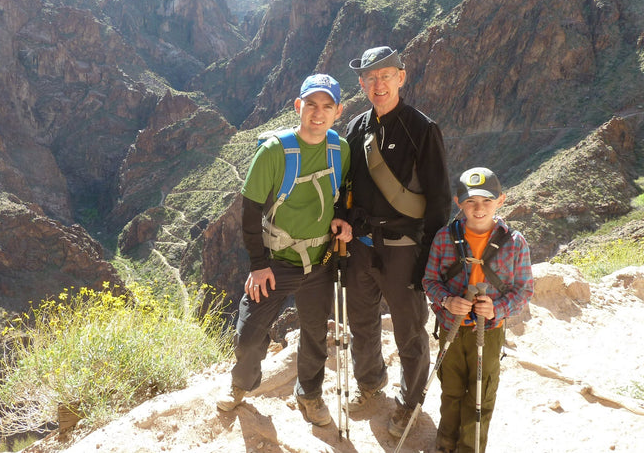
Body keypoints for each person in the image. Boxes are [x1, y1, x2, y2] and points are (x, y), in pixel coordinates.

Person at [216, 73, 352, 427]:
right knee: (248, 335)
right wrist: (258, 266)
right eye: (311, 105)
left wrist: (342, 220)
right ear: (298, 106)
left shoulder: (341, 149)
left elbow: (342, 197)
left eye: (326, 106)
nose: (317, 113)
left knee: (315, 333)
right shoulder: (274, 152)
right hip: (276, 263)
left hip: (321, 260)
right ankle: (241, 385)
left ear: (338, 111)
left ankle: (309, 393)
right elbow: (248, 212)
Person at [342, 46, 451, 437]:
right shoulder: (356, 129)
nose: (378, 84)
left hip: (405, 248)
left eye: (385, 75)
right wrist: (342, 222)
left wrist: (430, 261)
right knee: (362, 322)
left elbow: (439, 199)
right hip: (361, 246)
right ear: (361, 84)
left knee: (409, 329)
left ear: (401, 78)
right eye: (370, 78)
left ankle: (410, 401)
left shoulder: (422, 129)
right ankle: (371, 385)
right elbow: (346, 187)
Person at [423, 167, 533, 453]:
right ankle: (446, 443)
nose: (479, 208)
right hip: (452, 326)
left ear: (501, 200)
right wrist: (447, 301)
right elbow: (430, 280)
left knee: (481, 395)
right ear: (459, 203)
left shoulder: (515, 243)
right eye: (471, 201)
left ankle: (470, 448)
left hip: (490, 330)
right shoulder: (445, 238)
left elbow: (524, 290)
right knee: (451, 390)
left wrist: (496, 308)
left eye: (486, 200)